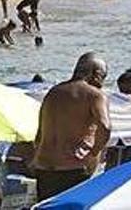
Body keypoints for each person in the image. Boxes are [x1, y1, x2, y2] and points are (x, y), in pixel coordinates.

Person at [32, 52, 110, 201]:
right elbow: (105, 127)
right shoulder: (94, 95)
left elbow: (39, 136)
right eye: (103, 79)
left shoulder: (52, 93)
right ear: (97, 74)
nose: (102, 84)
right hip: (72, 167)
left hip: (43, 167)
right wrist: (94, 152)